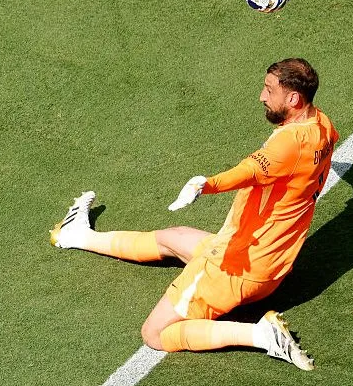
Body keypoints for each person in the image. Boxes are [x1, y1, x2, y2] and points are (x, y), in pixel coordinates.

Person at [50, 58, 338, 370]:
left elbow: (250, 171)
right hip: (271, 266)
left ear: (293, 98)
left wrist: (208, 185)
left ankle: (260, 335)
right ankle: (76, 235)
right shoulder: (323, 127)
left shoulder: (289, 143)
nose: (262, 96)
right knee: (172, 238)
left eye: (269, 90)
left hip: (233, 267)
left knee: (155, 333)